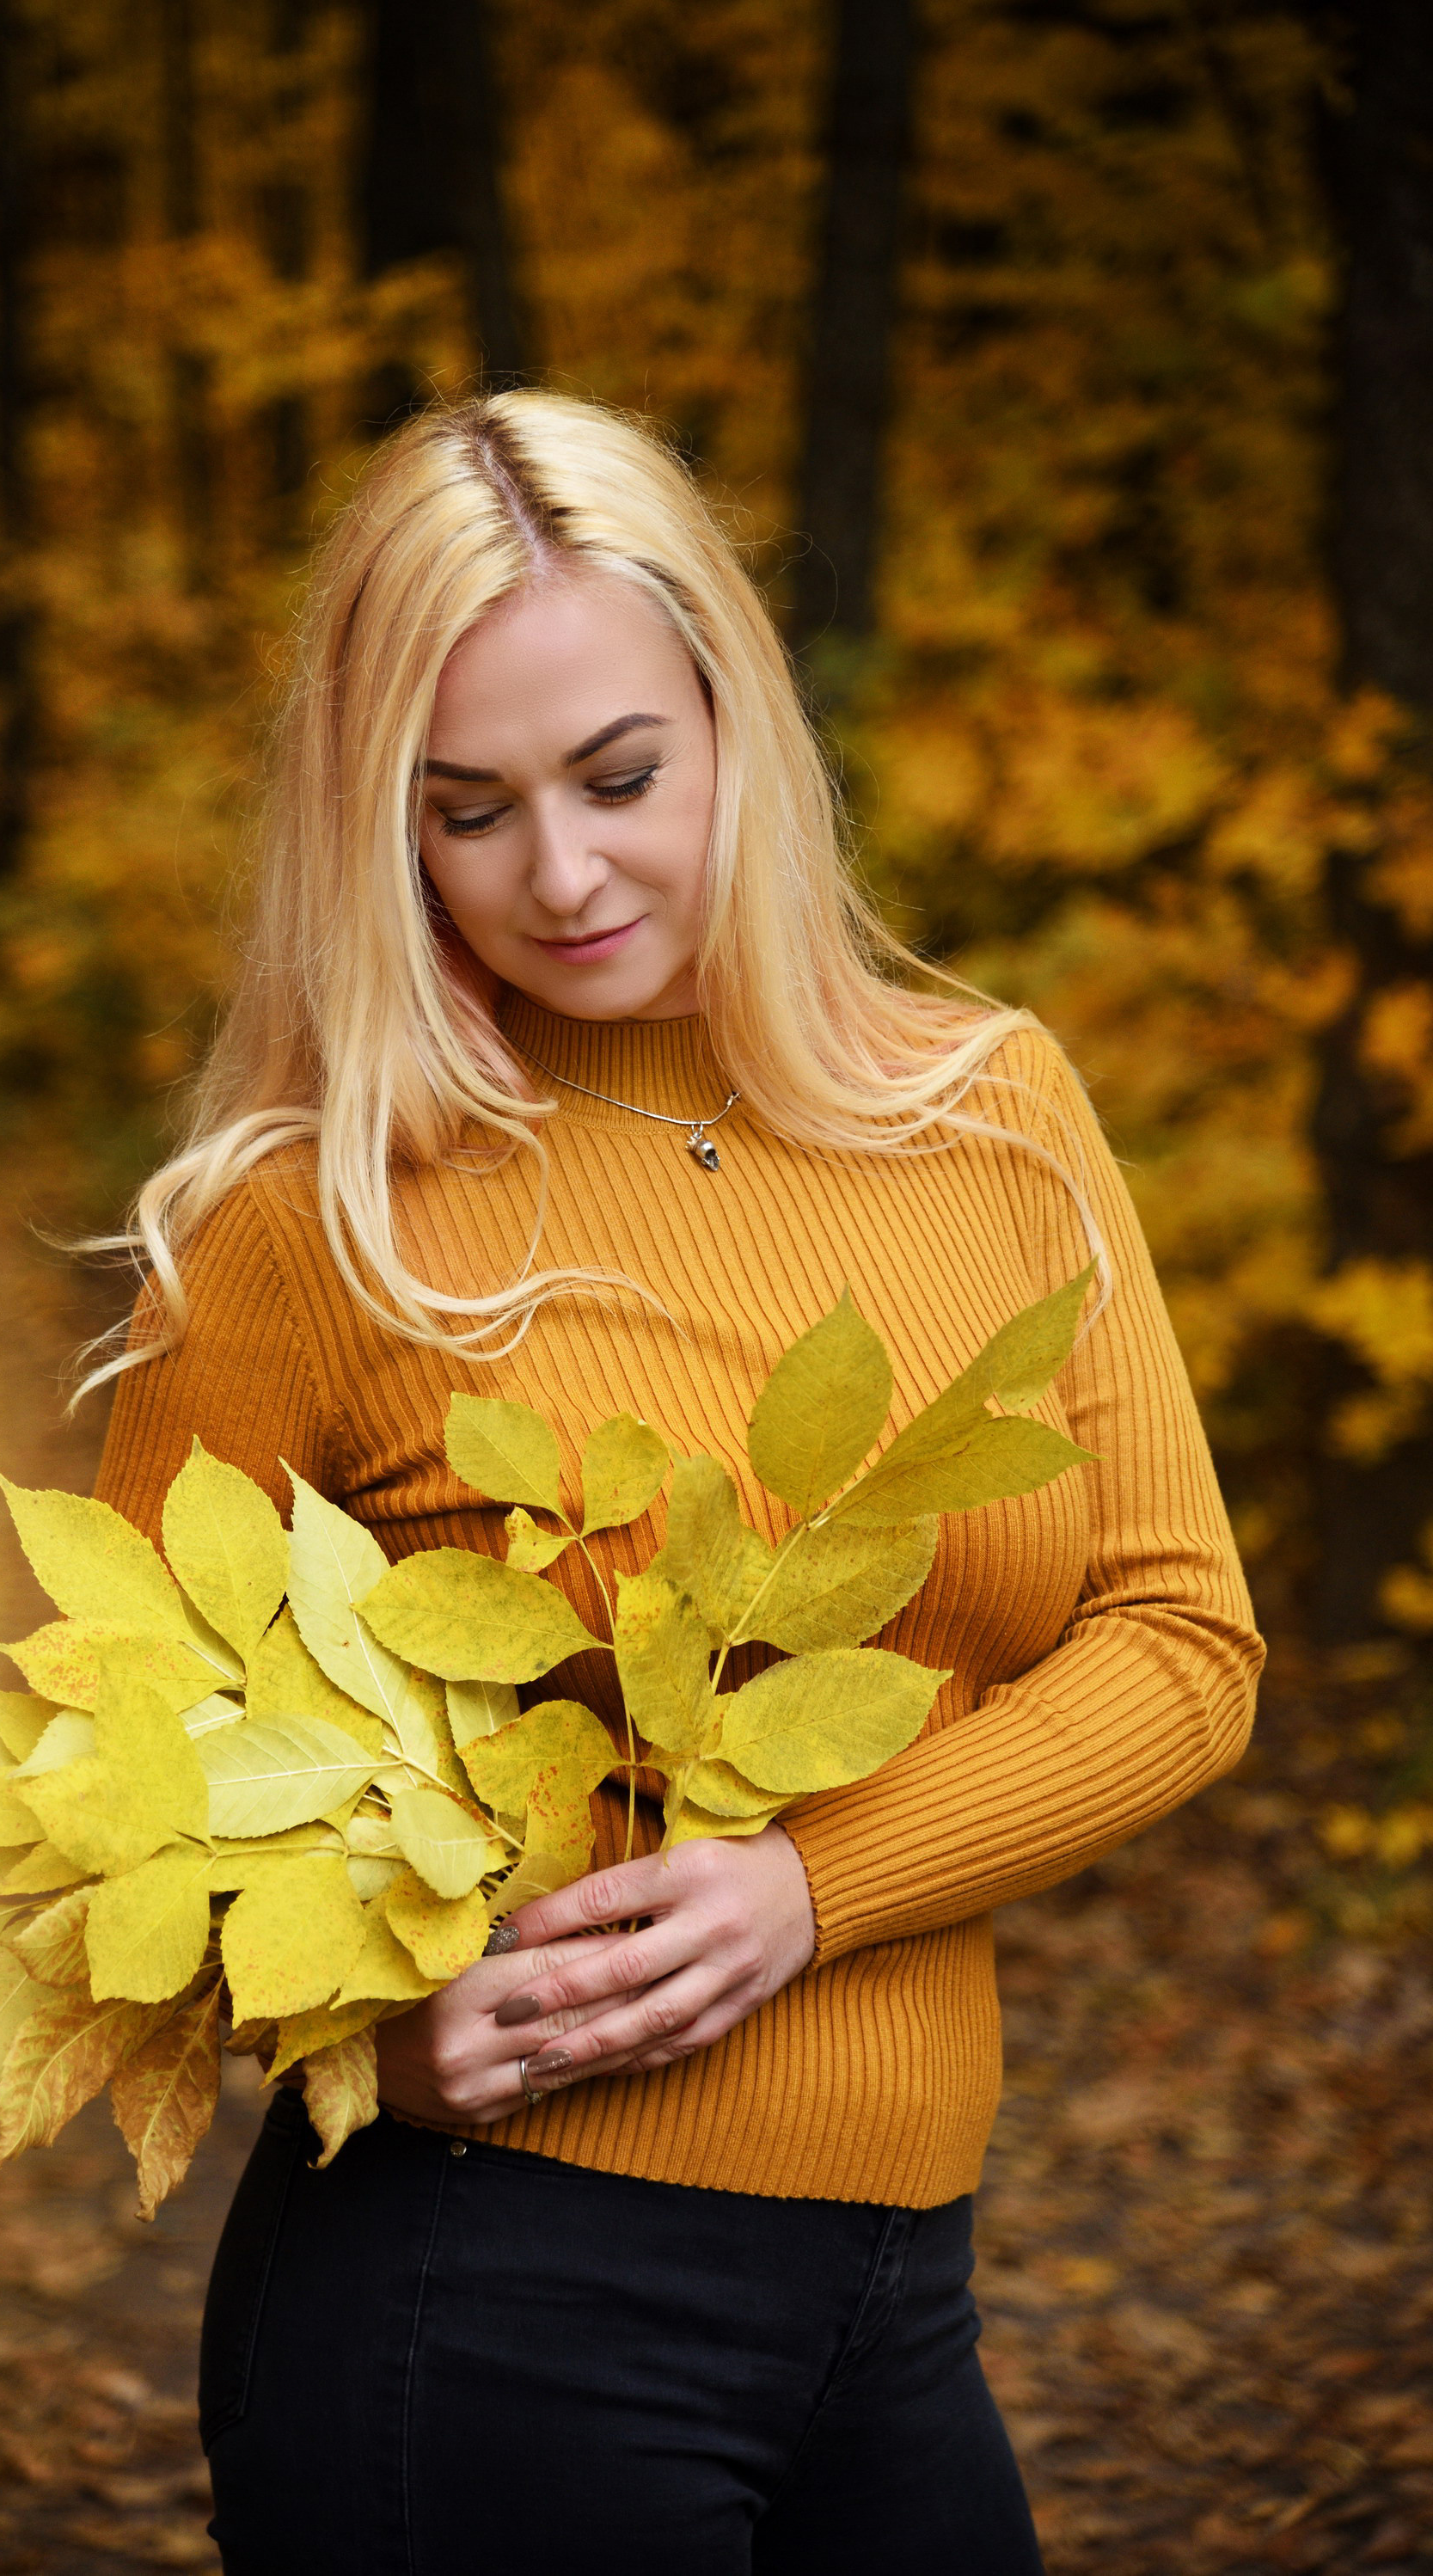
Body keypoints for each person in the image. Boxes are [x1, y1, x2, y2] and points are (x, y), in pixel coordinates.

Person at [88, 391, 1263, 2574]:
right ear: (379, 829)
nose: (563, 873)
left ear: (736, 717)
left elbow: (1182, 1639)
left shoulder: (989, 1110)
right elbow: (107, 1800)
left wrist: (810, 1885)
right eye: (467, 812)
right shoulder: (314, 1217)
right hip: (478, 2306)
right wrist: (353, 2021)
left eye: (621, 776)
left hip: (901, 2310)